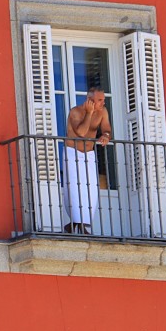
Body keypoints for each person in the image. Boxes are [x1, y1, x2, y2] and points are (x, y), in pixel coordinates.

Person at [63, 87, 112, 234]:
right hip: (72, 153)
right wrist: (89, 113)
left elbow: (106, 128)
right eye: (99, 100)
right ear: (89, 100)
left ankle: (83, 222)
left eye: (103, 99)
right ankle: (78, 223)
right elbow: (81, 133)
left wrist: (106, 136)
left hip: (89, 153)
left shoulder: (103, 112)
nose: (103, 103)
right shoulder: (75, 112)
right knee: (74, 188)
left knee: (90, 188)